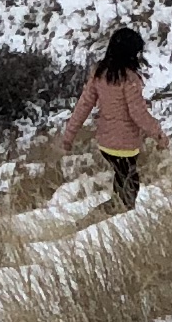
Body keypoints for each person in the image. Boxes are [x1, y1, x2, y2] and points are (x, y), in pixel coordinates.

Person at [61, 22, 159, 207]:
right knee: (130, 187)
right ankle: (106, 218)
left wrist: (69, 135)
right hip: (126, 145)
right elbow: (138, 113)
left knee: (123, 180)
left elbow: (83, 105)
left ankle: (113, 217)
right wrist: (159, 135)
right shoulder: (130, 79)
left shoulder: (100, 74)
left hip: (106, 144)